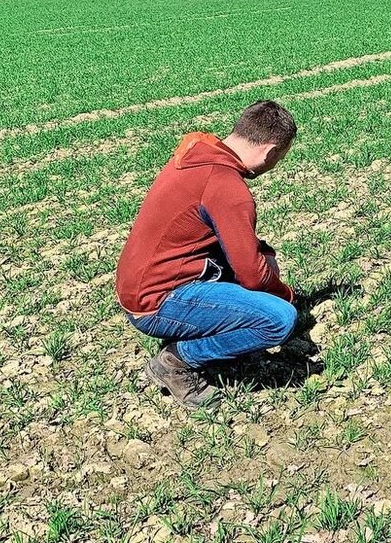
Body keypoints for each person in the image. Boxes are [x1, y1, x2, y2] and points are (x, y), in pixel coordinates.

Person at [115, 100, 299, 407]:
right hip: (156, 301)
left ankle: (202, 334)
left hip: (140, 285)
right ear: (269, 151)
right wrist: (284, 293)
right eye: (279, 157)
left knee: (250, 271)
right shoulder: (226, 187)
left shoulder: (197, 154)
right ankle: (177, 362)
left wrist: (260, 253)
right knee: (279, 319)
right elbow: (253, 276)